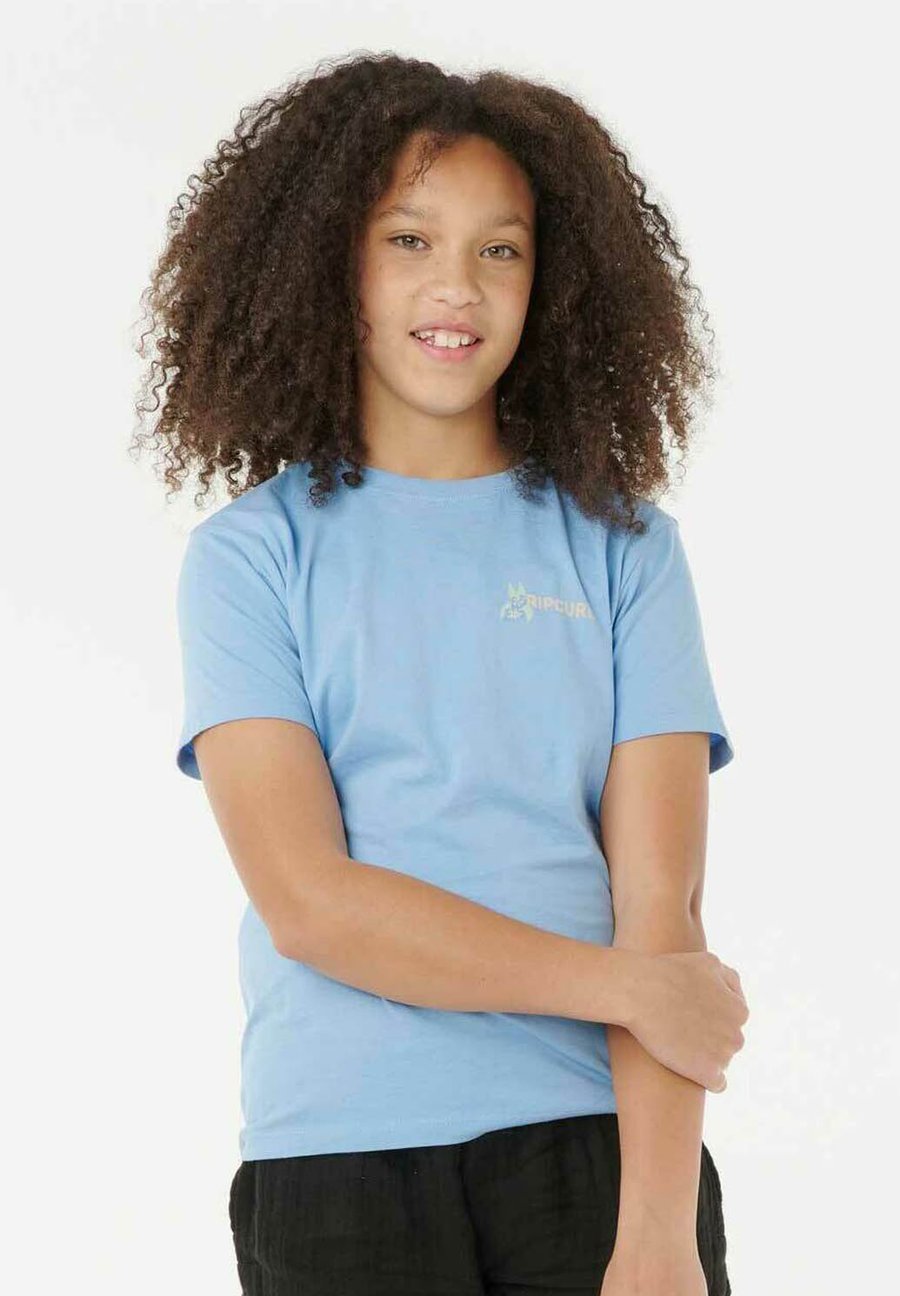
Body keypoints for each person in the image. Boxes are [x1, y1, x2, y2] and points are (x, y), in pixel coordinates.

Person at [134, 51, 748, 1296]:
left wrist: (658, 1234)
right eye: (408, 239)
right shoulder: (250, 558)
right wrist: (626, 988)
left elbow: (662, 910)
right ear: (330, 262)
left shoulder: (627, 551)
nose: (456, 286)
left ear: (552, 282)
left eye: (500, 249)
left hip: (599, 1153)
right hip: (339, 1165)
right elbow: (313, 903)